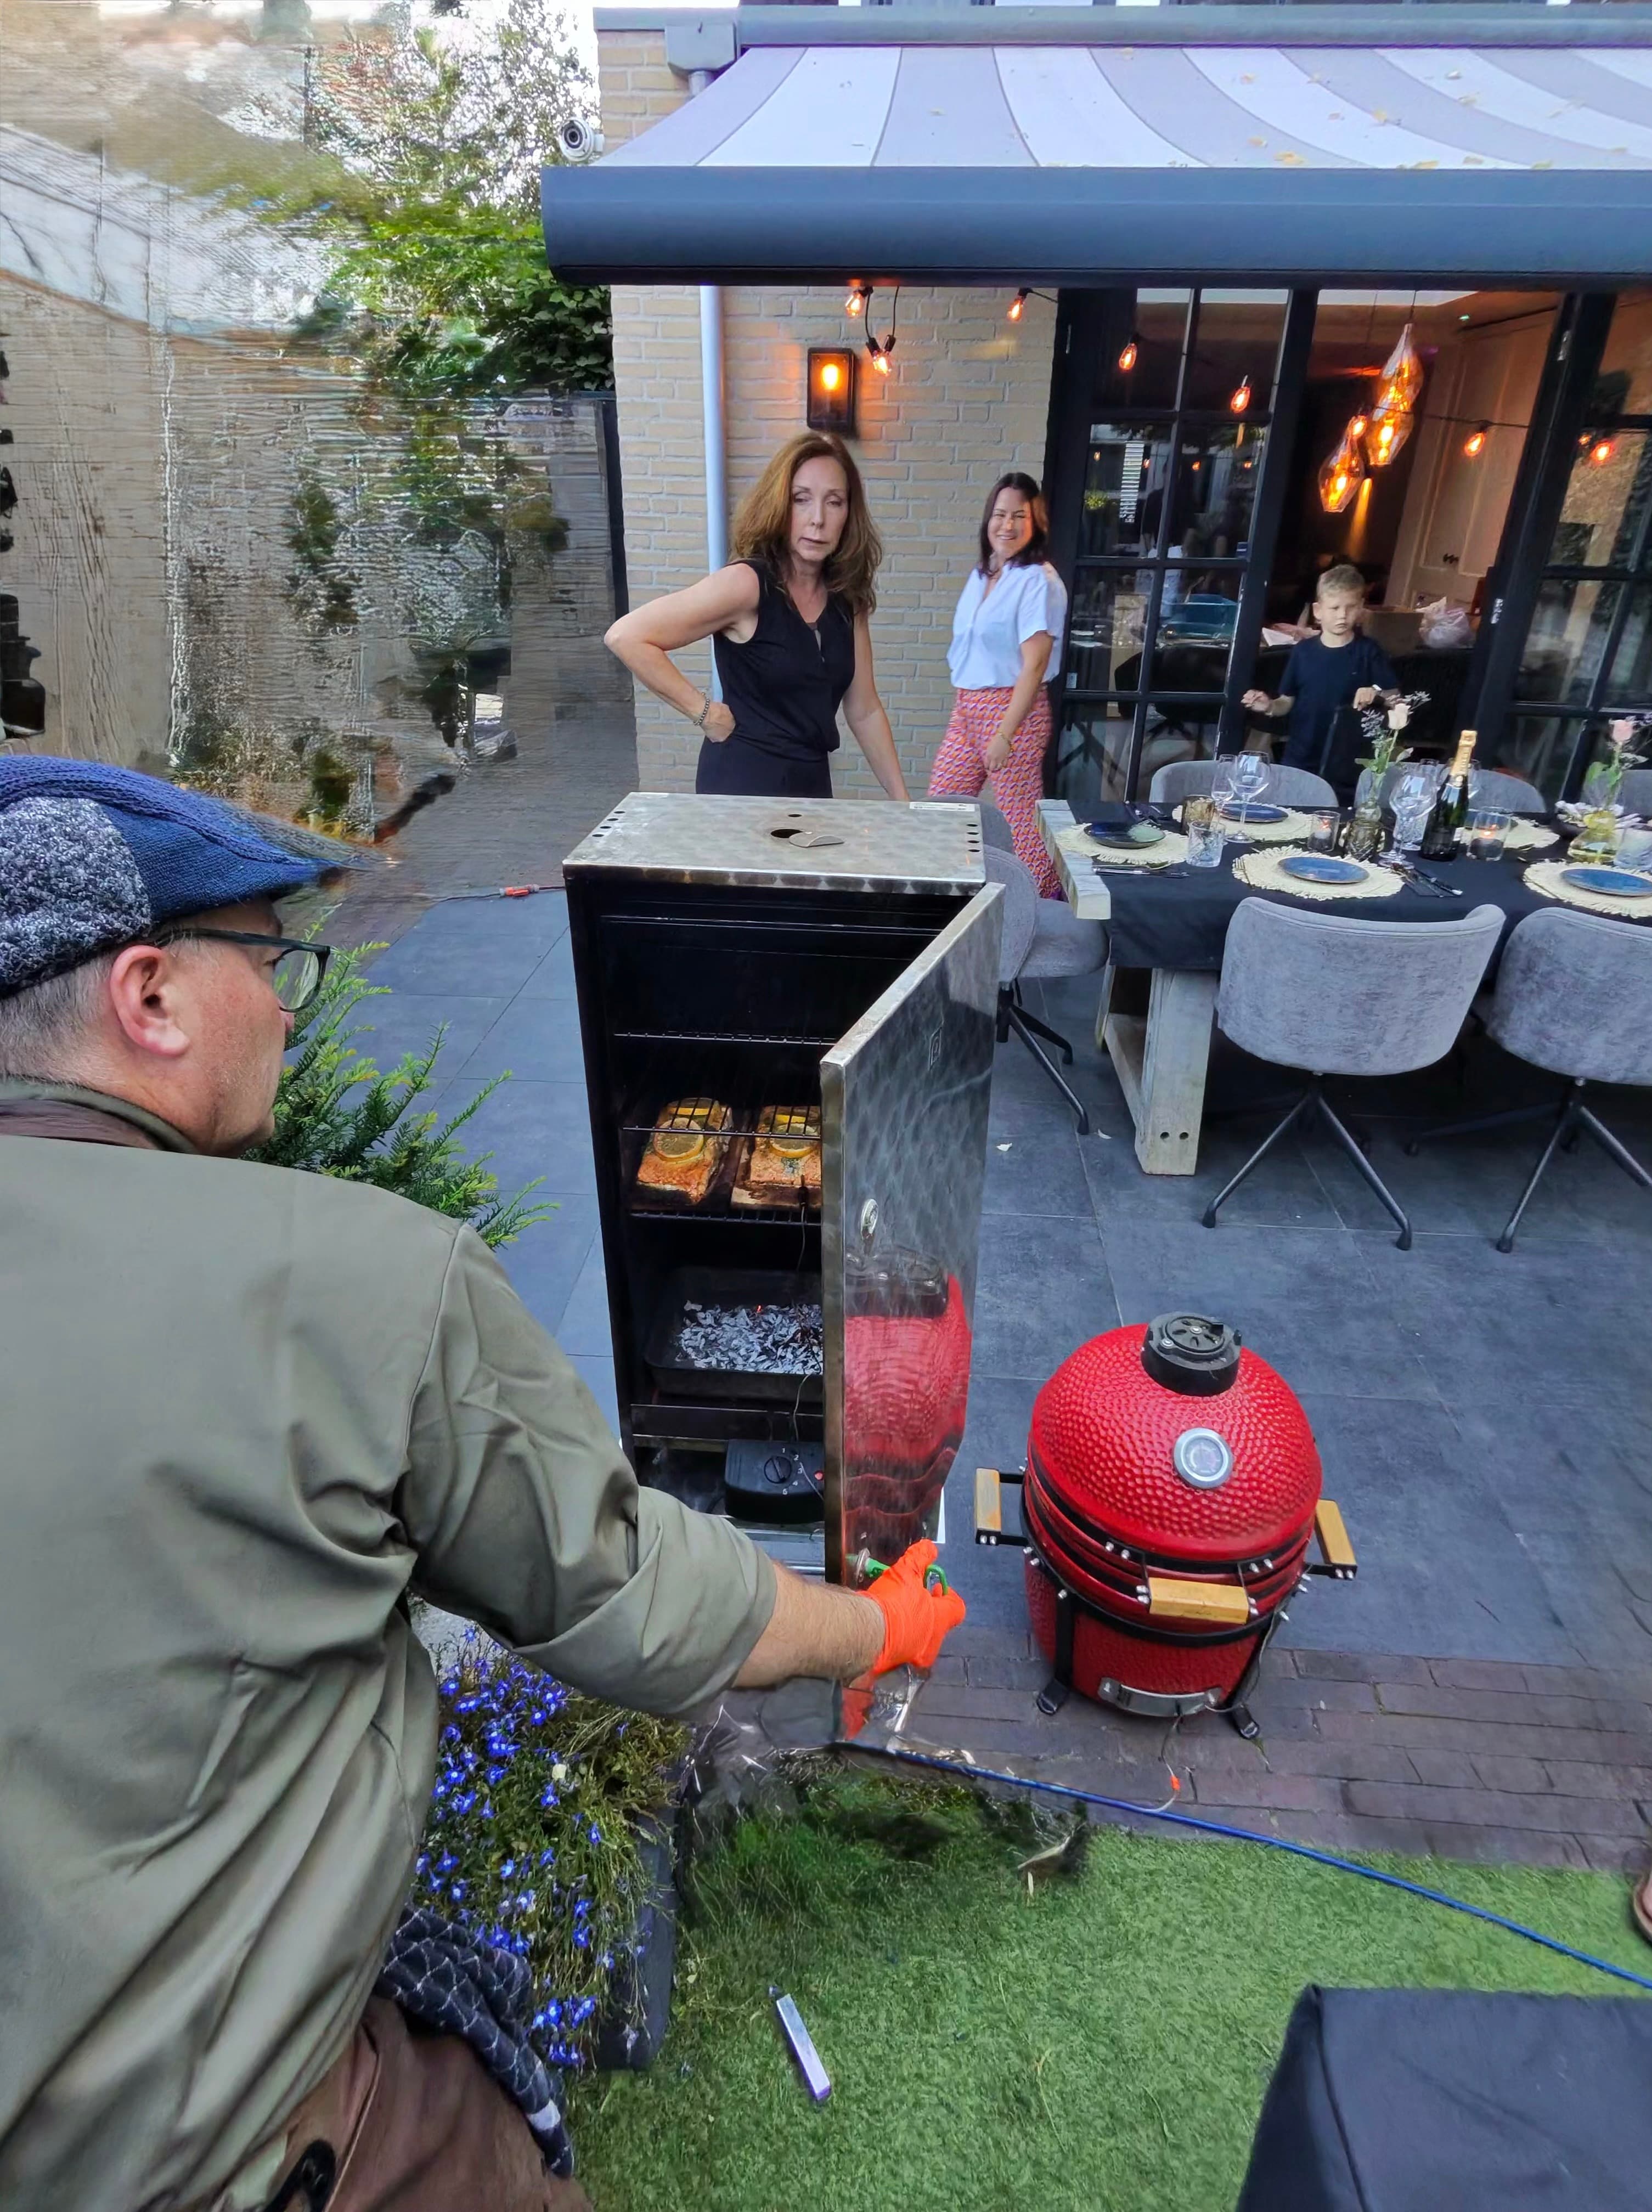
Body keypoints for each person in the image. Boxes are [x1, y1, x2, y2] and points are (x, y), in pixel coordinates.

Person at [0, 757, 963, 2212]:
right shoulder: (344, 1284)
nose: (290, 1007)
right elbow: (637, 1598)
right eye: (275, 961)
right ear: (150, 997)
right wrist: (875, 1627)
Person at [604, 433, 909, 802]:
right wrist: (704, 713)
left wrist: (901, 802)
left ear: (849, 514)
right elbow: (627, 636)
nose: (818, 519)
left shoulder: (848, 600)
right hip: (742, 786)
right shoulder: (747, 584)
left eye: (835, 502)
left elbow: (864, 710)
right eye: (802, 499)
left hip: (811, 784)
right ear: (780, 504)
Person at [928, 472, 1066, 896]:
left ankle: (1043, 908)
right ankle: (951, 894)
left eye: (1019, 516)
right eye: (1000, 514)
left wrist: (1006, 733)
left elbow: (1035, 665)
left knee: (1021, 823)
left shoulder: (1037, 581)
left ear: (1035, 521)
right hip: (968, 708)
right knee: (942, 807)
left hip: (1013, 713)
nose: (1007, 525)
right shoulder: (985, 573)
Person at [1241, 561, 1400, 784]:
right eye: (1335, 608)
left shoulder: (1369, 652)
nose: (1343, 616)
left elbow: (1396, 700)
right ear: (1318, 611)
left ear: (1362, 607)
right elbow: (1286, 702)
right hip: (1300, 756)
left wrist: (1376, 693)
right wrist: (1268, 707)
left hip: (1349, 759)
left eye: (1351, 607)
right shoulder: (1303, 652)